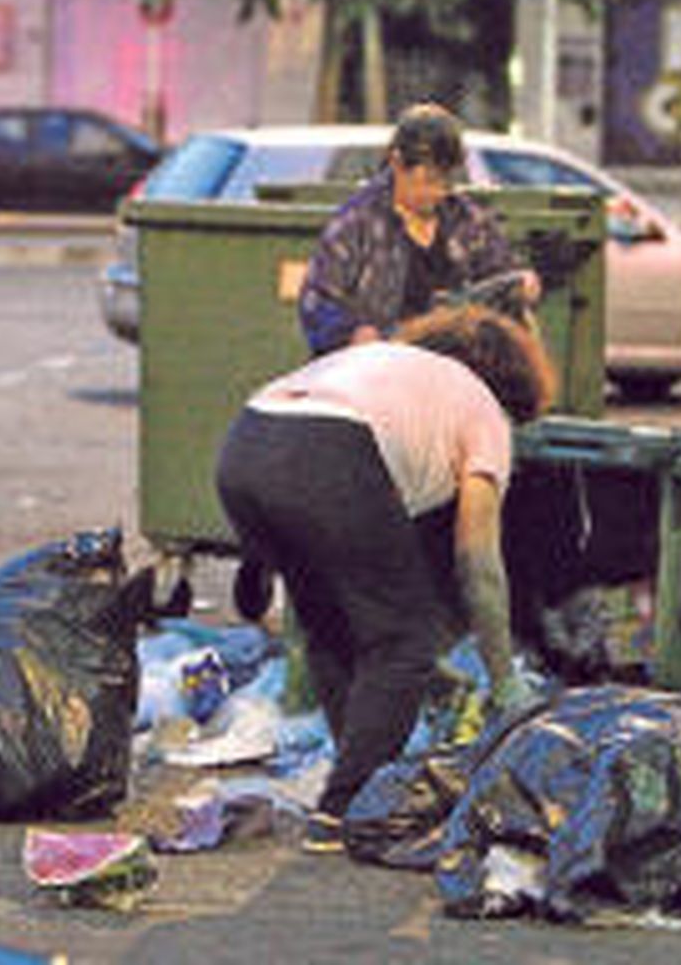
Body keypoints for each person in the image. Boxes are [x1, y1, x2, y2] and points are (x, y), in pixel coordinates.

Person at [214, 303, 556, 852]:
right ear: (515, 388)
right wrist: (504, 680)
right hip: (328, 453)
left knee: (331, 628)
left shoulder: (394, 369)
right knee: (404, 642)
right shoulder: (485, 412)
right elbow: (479, 564)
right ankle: (346, 809)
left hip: (244, 446)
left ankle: (353, 780)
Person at [297, 102, 536, 355]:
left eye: (446, 181)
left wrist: (522, 283)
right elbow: (317, 301)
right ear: (397, 163)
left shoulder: (466, 220)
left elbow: (501, 271)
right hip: (378, 368)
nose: (439, 192)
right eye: (429, 180)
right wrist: (352, 333)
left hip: (455, 368)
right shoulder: (357, 223)